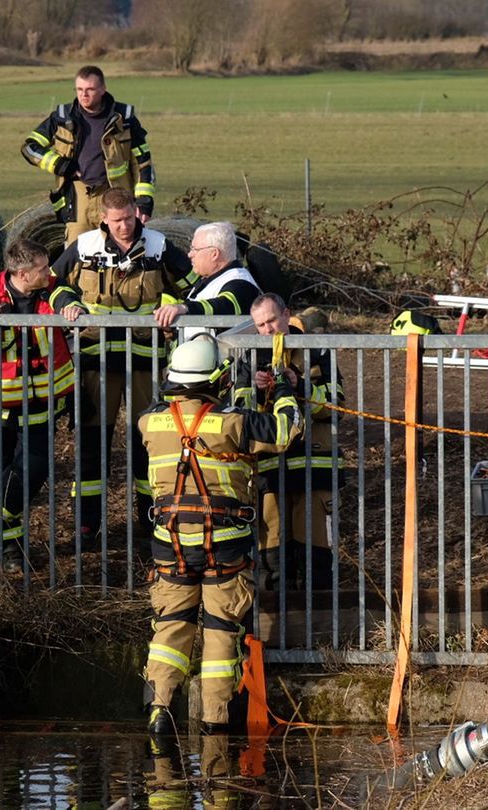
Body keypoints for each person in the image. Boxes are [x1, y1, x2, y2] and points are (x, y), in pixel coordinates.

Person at [139, 334, 301, 734]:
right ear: (216, 380)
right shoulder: (234, 423)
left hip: (171, 544)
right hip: (224, 546)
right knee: (221, 630)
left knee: (170, 626)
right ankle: (215, 724)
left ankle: (159, 710)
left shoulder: (150, 422)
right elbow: (287, 429)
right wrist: (282, 388)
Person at [52, 187, 195, 543]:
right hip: (94, 362)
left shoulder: (158, 246)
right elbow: (51, 284)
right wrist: (68, 302)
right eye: (116, 220)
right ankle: (87, 524)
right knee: (91, 442)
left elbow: (194, 285)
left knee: (147, 440)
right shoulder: (85, 247)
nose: (124, 226)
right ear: (103, 218)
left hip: (143, 361)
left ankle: (150, 519)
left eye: (129, 218)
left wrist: (177, 307)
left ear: (136, 213)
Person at [0, 238, 85, 570]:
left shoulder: (51, 287)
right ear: (22, 274)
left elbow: (66, 295)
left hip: (40, 407)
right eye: (42, 268)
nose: (49, 273)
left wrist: (73, 308)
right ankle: (10, 552)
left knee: (28, 476)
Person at [234, 293, 344, 593]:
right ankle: (275, 618)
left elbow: (336, 406)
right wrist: (257, 392)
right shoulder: (250, 357)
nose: (267, 330)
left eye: (271, 321)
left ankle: (319, 617)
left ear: (286, 315)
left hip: (314, 468)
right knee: (273, 558)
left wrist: (302, 386)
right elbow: (238, 413)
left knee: (316, 558)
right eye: (260, 325)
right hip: (271, 470)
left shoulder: (316, 351)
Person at [21, 65, 156, 242]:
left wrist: (144, 202)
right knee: (76, 253)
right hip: (77, 197)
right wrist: (59, 164)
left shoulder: (124, 119)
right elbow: (30, 147)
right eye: (79, 89)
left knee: (118, 251)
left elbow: (143, 162)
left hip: (115, 197)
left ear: (103, 89)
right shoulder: (62, 117)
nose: (84, 95)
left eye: (90, 89)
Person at [153, 221, 261, 338]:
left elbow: (225, 305)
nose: (190, 254)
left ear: (214, 254)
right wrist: (173, 326)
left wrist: (185, 308)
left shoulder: (240, 283)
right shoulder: (212, 279)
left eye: (195, 249)